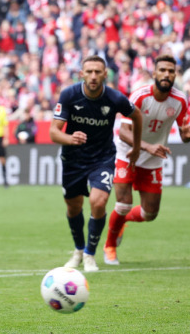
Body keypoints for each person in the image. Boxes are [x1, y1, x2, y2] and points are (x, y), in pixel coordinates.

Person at [49, 55, 143, 272]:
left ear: (104, 74)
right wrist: (70, 139)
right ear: (81, 73)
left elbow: (137, 116)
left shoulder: (114, 98)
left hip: (102, 158)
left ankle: (90, 254)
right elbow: (53, 132)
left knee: (98, 202)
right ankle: (78, 250)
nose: (93, 76)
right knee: (74, 208)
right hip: (73, 160)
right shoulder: (69, 95)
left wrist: (137, 147)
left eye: (97, 72)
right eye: (89, 71)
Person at [103, 55, 190, 265]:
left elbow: (185, 135)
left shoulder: (180, 100)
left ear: (175, 74)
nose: (167, 74)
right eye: (162, 70)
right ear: (154, 74)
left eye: (171, 71)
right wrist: (148, 145)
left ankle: (122, 222)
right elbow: (123, 132)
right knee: (123, 204)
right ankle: (110, 246)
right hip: (128, 153)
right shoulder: (139, 96)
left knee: (150, 213)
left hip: (152, 159)